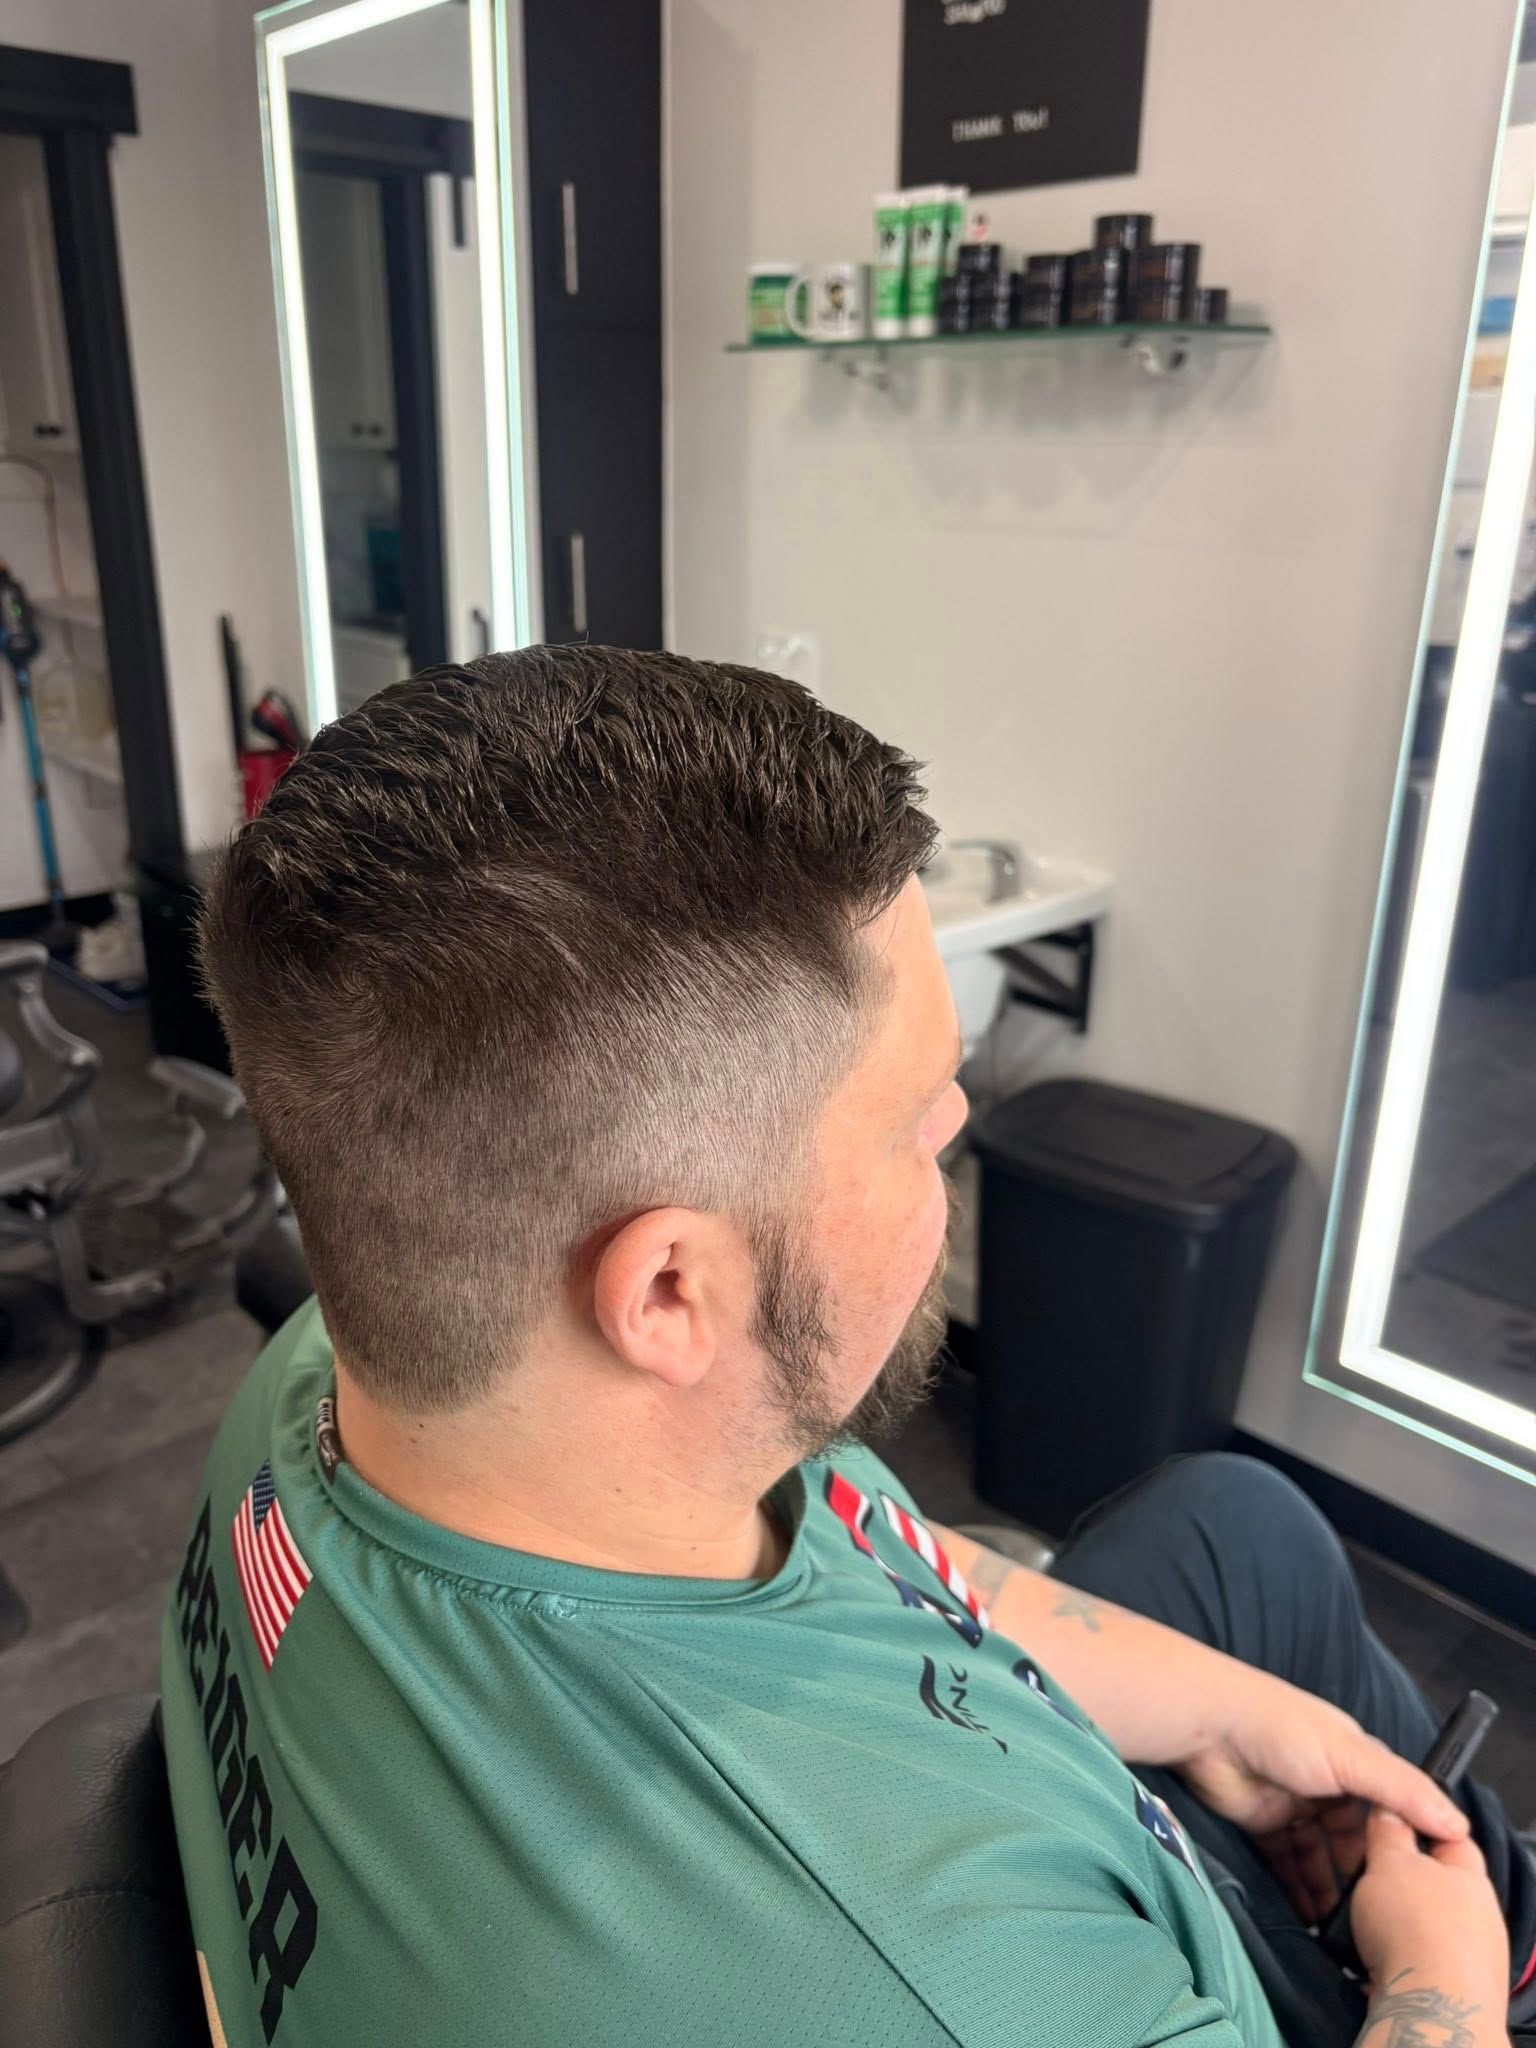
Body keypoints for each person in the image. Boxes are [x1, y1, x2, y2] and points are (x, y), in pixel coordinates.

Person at [163, 647, 1534, 2048]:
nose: (959, 1140)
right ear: (670, 1292)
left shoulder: (365, 1360)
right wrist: (1444, 1979)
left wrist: (1220, 1715)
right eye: (917, 1121)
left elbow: (883, 1554)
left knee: (1240, 1523)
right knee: (1476, 1875)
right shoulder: (945, 1995)